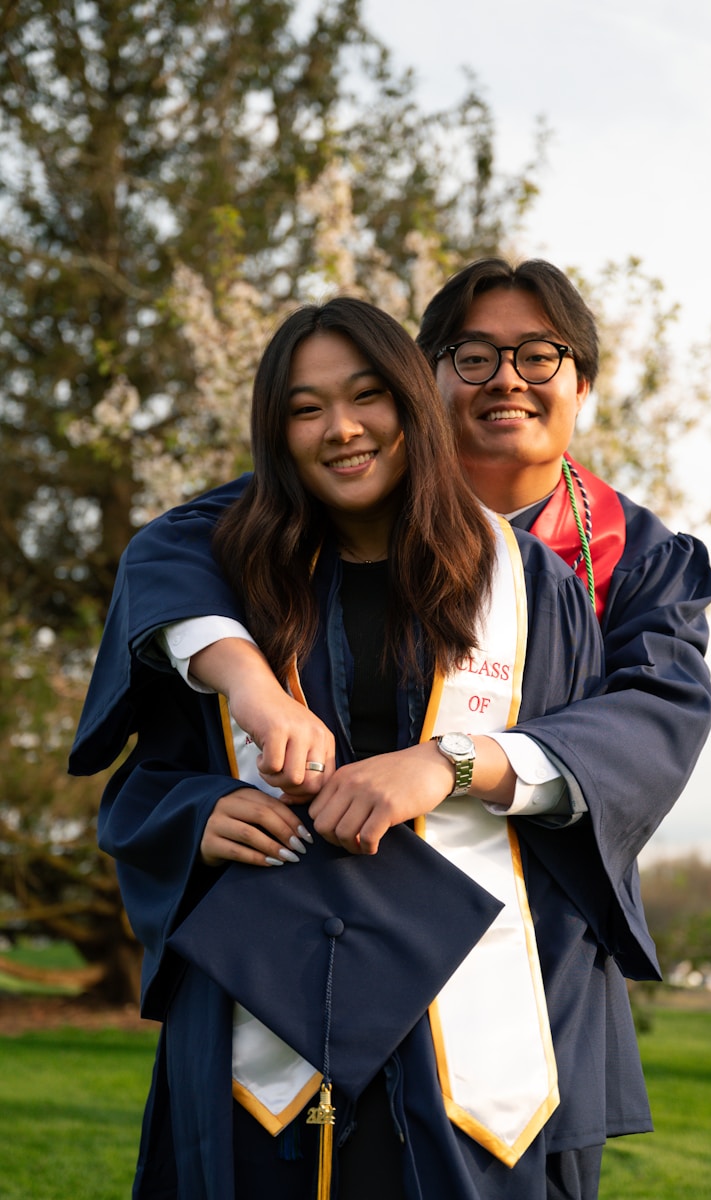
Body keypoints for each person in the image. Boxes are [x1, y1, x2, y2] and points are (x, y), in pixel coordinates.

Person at [71, 297, 615, 1198]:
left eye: (367, 395)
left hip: (465, 1020)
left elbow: (574, 772)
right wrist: (202, 814)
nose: (341, 429)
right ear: (275, 432)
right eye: (304, 407)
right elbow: (144, 789)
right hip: (264, 1004)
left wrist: (447, 761)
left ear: (412, 403)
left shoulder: (531, 589)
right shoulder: (230, 570)